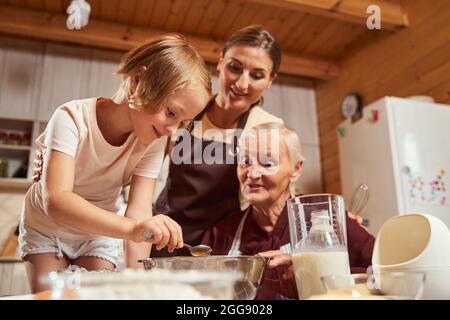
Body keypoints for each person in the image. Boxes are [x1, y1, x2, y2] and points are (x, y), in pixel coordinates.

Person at [20, 34, 211, 293]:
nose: (172, 130)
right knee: (52, 298)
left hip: (97, 234)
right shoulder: (70, 118)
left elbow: (139, 212)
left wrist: (137, 282)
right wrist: (132, 229)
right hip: (45, 229)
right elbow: (56, 201)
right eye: (171, 113)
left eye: (182, 123)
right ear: (137, 81)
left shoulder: (154, 141)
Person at [201, 123, 375, 299]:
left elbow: (384, 271)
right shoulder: (221, 233)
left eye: (267, 162)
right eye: (245, 161)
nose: (252, 173)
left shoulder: (326, 217)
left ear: (296, 169)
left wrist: (318, 275)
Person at [153, 25, 283, 257]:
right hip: (164, 238)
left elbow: (280, 190)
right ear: (220, 62)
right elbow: (146, 169)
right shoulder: (189, 110)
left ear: (270, 80)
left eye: (257, 75)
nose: (242, 84)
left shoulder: (266, 128)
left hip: (219, 247)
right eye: (235, 68)